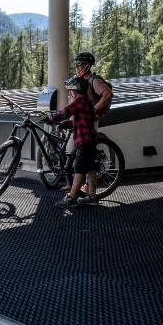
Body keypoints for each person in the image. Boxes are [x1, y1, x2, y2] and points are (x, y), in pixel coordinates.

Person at [46, 75, 98, 208]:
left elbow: (66, 111)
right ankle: (92, 197)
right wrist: (66, 123)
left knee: (79, 169)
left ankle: (71, 198)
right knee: (90, 169)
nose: (70, 93)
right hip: (90, 140)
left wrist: (51, 118)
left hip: (84, 141)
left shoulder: (79, 101)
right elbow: (79, 120)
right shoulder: (86, 102)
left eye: (71, 90)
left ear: (76, 89)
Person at [72, 51, 112, 195]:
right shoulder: (79, 80)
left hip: (90, 122)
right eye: (76, 65)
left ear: (88, 66)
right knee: (83, 156)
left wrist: (93, 109)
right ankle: (88, 192)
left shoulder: (94, 80)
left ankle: (79, 191)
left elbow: (107, 94)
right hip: (81, 121)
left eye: (80, 65)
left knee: (85, 155)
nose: (77, 67)